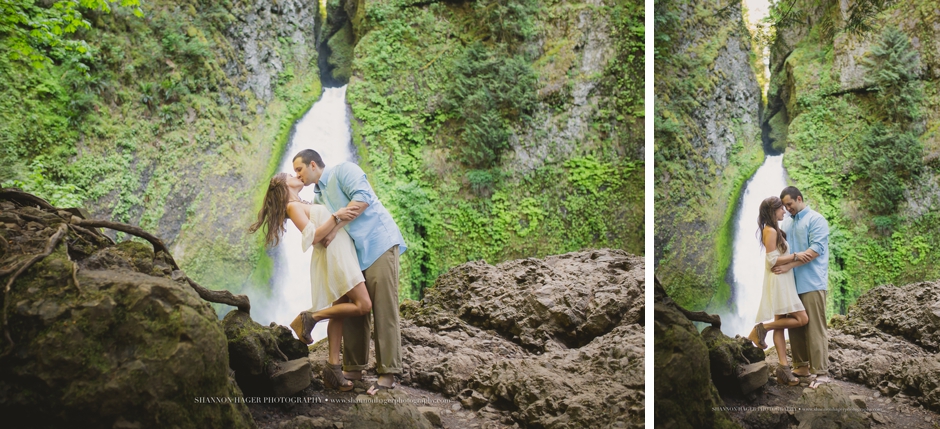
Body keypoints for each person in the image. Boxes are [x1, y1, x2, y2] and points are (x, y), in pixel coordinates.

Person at [293, 149, 407, 390]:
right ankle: (354, 368)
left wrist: (334, 227)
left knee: (384, 308)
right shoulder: (318, 198)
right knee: (357, 313)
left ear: (313, 165)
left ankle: (388, 375)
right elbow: (321, 233)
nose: (297, 175)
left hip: (378, 242)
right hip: (353, 254)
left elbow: (364, 198)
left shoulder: (343, 171)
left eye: (299, 169)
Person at [249, 173, 371, 392]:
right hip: (335, 256)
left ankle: (333, 370)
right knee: (364, 305)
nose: (297, 174)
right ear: (282, 184)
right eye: (291, 173)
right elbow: (312, 236)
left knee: (340, 312)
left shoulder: (304, 202)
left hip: (341, 251)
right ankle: (311, 317)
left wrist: (337, 219)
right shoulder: (291, 206)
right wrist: (337, 216)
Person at [747, 196, 809, 386]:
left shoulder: (773, 229)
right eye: (781, 209)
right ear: (773, 211)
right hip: (779, 281)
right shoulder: (771, 231)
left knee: (780, 324)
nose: (784, 211)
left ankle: (784, 369)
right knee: (802, 319)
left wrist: (790, 263)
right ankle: (762, 328)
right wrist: (796, 256)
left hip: (783, 279)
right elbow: (771, 260)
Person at [772, 186, 830, 388]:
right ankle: (801, 366)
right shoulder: (787, 223)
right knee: (795, 326)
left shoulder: (816, 220)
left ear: (799, 198)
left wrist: (789, 264)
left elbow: (815, 250)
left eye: (789, 204)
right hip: (791, 284)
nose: (787, 209)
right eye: (785, 206)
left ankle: (821, 373)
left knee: (815, 327)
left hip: (812, 282)